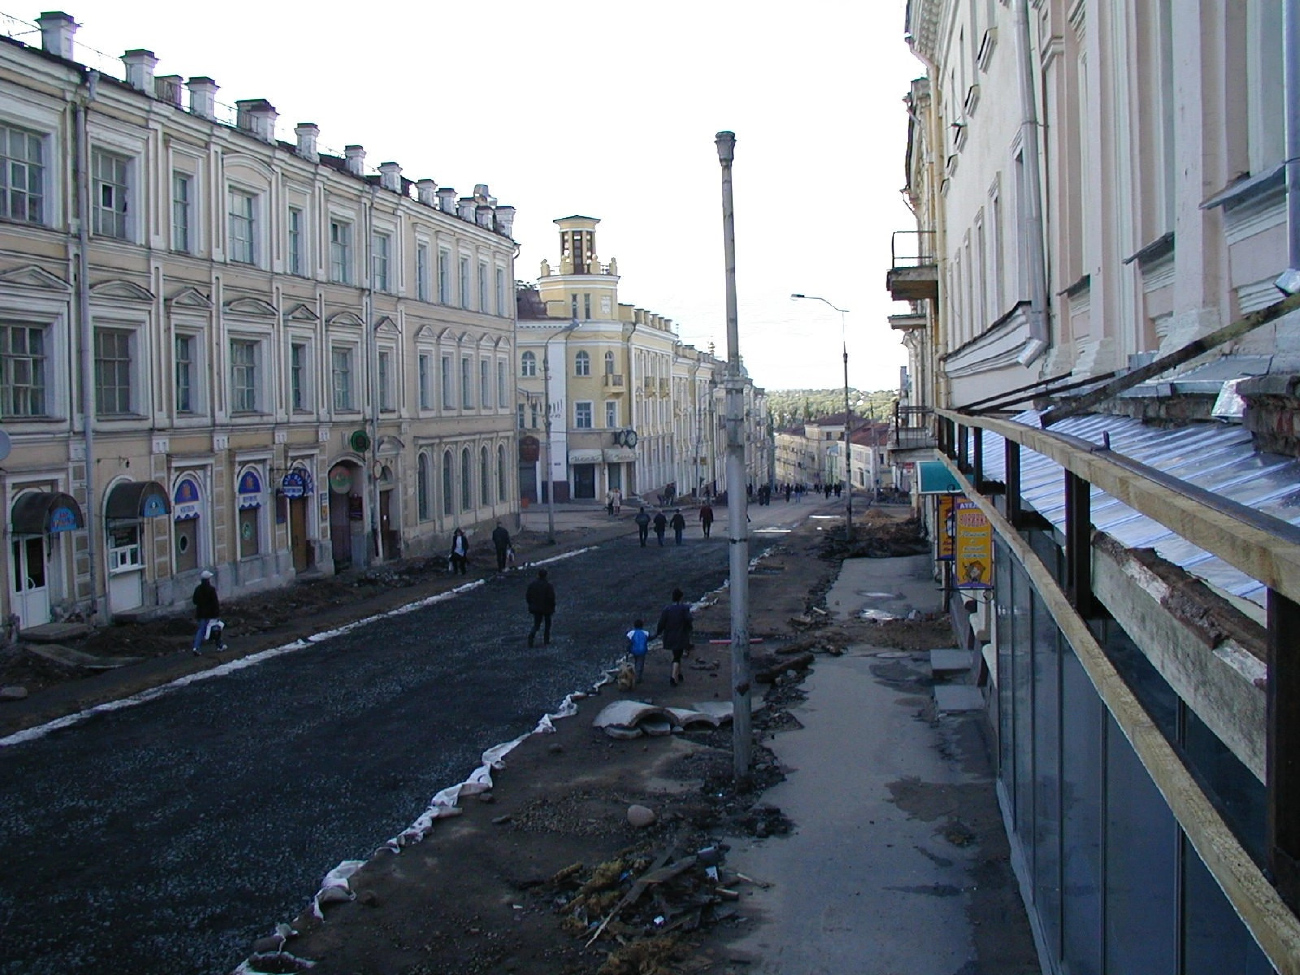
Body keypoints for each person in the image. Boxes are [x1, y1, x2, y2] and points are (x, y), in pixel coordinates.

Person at [654, 588, 692, 686]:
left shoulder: (667, 609)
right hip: (681, 635)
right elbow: (688, 619)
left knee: (676, 654)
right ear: (681, 597)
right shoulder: (684, 608)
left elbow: (661, 623)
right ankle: (673, 677)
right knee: (677, 656)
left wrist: (657, 633)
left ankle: (679, 674)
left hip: (670, 636)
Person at [191, 570, 225, 655]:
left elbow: (194, 601)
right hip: (211, 614)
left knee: (201, 631)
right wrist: (216, 614)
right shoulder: (211, 589)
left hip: (201, 614)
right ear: (208, 579)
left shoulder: (198, 589)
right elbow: (215, 603)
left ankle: (196, 647)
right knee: (216, 629)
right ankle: (219, 645)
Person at [525, 568, 556, 647]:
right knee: (547, 624)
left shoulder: (532, 585)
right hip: (546, 608)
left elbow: (528, 596)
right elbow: (551, 598)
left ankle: (531, 635)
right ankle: (546, 640)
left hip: (536, 608)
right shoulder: (548, 586)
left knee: (536, 624)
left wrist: (531, 604)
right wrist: (552, 607)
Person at [626, 617, 650, 685]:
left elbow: (628, 642)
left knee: (635, 661)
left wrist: (627, 650)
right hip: (642, 650)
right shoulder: (645, 633)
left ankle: (631, 675)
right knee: (640, 663)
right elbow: (650, 638)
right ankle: (638, 677)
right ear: (642, 625)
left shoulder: (631, 633)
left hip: (633, 650)